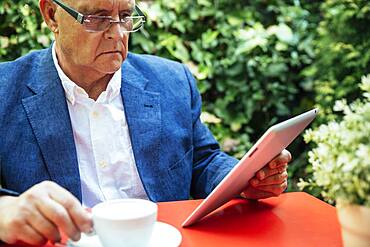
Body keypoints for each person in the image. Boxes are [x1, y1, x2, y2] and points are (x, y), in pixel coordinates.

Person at [0, 0, 291, 245]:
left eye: (125, 17)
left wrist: (248, 178)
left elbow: (203, 161)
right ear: (52, 15)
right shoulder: (5, 90)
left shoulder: (171, 81)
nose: (117, 34)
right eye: (98, 18)